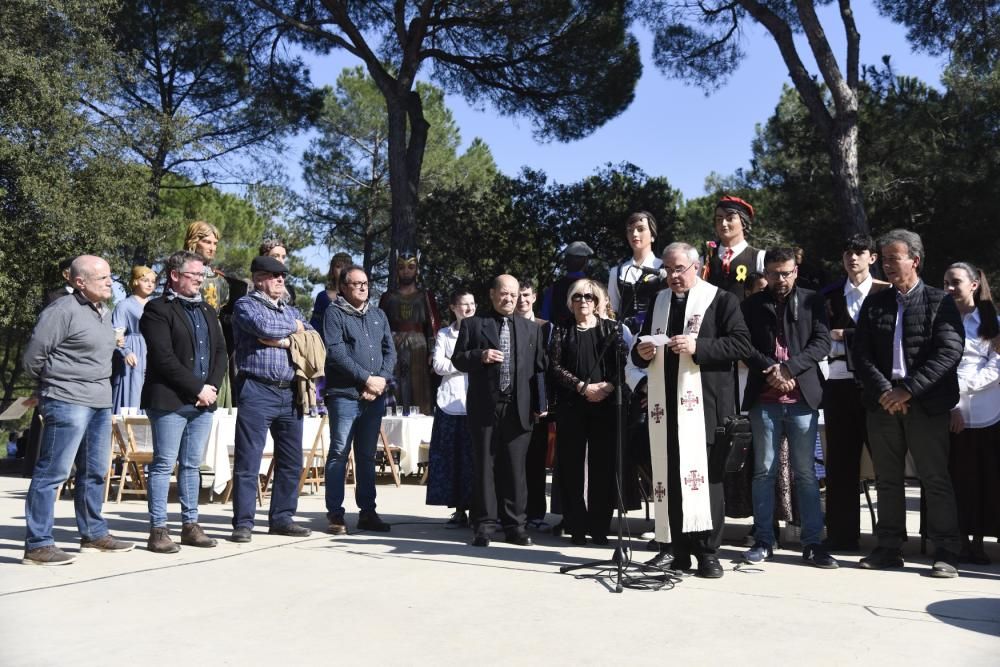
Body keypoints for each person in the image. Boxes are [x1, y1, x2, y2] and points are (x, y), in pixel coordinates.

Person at [629, 243, 750, 576]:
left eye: (679, 269)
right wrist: (641, 353)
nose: (672, 276)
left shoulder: (721, 299)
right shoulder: (658, 300)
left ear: (696, 267)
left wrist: (699, 346)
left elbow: (742, 344)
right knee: (668, 477)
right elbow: (640, 348)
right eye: (667, 270)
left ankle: (707, 553)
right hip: (664, 406)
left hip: (705, 407)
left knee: (705, 480)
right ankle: (674, 550)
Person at [852, 229, 965, 578]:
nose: (886, 265)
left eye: (893, 259)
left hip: (925, 404)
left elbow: (949, 352)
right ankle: (888, 547)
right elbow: (862, 354)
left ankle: (945, 549)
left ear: (914, 260)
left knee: (935, 478)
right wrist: (887, 391)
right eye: (883, 259)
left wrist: (909, 390)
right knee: (887, 478)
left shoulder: (939, 301)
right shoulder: (875, 302)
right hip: (883, 403)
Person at [21, 255, 133, 565]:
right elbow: (33, 358)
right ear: (79, 282)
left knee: (96, 471)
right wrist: (49, 388)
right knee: (52, 473)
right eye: (103, 278)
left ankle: (94, 534)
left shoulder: (103, 312)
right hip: (66, 400)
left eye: (111, 276)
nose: (111, 282)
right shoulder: (61, 311)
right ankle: (38, 544)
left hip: (99, 402)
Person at [741, 247, 837, 569]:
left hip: (803, 399)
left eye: (786, 273)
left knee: (806, 473)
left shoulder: (813, 300)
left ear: (796, 271)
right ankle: (764, 539)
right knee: (763, 472)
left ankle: (813, 543)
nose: (780, 279)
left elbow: (822, 342)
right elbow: (745, 345)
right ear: (765, 273)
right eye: (774, 273)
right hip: (764, 400)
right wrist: (773, 369)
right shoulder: (752, 304)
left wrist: (791, 369)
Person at [140, 251, 228, 553]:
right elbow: (164, 359)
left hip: (204, 401)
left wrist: (212, 387)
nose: (200, 282)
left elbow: (220, 352)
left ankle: (190, 525)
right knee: (164, 464)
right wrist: (197, 389)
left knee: (192, 465)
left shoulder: (207, 310)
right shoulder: (157, 309)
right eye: (195, 276)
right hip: (170, 400)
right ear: (175, 276)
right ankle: (158, 529)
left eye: (203, 277)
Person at [452, 275, 547, 547]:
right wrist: (479, 356)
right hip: (485, 407)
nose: (509, 299)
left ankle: (515, 526)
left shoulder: (532, 330)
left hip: (519, 408)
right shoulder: (474, 325)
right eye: (504, 294)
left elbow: (540, 368)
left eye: (514, 295)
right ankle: (484, 525)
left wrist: (541, 405)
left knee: (515, 470)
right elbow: (458, 360)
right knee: (485, 467)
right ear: (493, 294)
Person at [229, 255, 314, 542]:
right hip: (257, 389)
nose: (280, 280)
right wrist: (295, 331)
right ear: (257, 278)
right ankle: (243, 523)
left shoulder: (291, 310)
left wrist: (286, 340)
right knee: (248, 460)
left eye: (283, 276)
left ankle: (282, 517)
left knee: (291, 460)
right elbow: (262, 328)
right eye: (273, 275)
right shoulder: (245, 305)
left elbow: (313, 337)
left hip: (290, 392)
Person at [820, 234, 891, 551]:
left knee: (886, 464)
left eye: (861, 252)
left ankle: (890, 538)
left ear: (873, 258)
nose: (854, 258)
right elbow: (819, 335)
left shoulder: (887, 293)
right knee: (840, 464)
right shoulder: (829, 294)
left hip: (879, 387)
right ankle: (841, 535)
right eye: (848, 252)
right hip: (838, 383)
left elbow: (890, 336)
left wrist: (846, 334)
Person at [549, 279, 629, 545]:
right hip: (572, 406)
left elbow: (623, 363)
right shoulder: (562, 330)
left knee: (603, 467)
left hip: (605, 405)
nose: (583, 301)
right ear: (570, 302)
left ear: (598, 302)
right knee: (571, 467)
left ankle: (599, 527)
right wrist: (582, 387)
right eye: (577, 297)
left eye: (589, 297)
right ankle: (576, 526)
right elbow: (555, 366)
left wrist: (607, 386)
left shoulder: (612, 329)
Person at [323, 265, 396, 534]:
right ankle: (335, 515)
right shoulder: (334, 313)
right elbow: (336, 353)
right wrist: (367, 379)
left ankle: (368, 512)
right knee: (339, 454)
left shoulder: (378, 315)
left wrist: (380, 382)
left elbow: (390, 351)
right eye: (356, 284)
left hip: (373, 397)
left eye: (365, 283)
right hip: (344, 396)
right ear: (343, 287)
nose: (363, 288)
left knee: (366, 456)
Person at [943, 262, 1000, 564]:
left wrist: (967, 387)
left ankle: (979, 540)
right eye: (945, 283)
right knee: (959, 479)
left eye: (955, 282)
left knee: (985, 479)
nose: (949, 288)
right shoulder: (942, 320)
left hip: (988, 411)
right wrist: (954, 402)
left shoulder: (992, 320)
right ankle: (959, 540)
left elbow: (997, 364)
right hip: (952, 410)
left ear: (974, 284)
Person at [427, 289, 477, 527]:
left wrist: (456, 362)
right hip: (450, 402)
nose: (468, 308)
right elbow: (438, 365)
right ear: (453, 308)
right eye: (463, 304)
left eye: (472, 304)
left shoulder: (482, 331)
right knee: (451, 458)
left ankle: (478, 508)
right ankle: (458, 509)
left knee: (474, 460)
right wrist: (466, 363)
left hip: (476, 403)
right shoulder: (445, 334)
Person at [378, 250, 440, 415]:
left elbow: (433, 326)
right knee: (395, 387)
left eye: (411, 267)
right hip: (393, 346)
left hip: (420, 346)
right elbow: (378, 327)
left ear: (417, 269)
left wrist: (434, 351)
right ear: (397, 270)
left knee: (419, 386)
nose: (406, 271)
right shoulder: (388, 297)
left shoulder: (425, 296)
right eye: (402, 267)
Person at [516, 279, 554, 531]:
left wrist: (542, 402)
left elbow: (547, 367)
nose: (521, 300)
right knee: (512, 462)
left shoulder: (545, 327)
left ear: (534, 297)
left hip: (537, 402)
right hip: (512, 403)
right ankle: (512, 512)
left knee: (536, 461)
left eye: (526, 295)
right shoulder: (504, 324)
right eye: (518, 295)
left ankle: (536, 513)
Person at [608, 211, 666, 333]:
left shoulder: (664, 268)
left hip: (657, 333)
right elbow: (613, 309)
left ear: (652, 235)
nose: (634, 234)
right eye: (630, 230)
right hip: (625, 337)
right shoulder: (616, 271)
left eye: (640, 229)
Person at [702, 195, 766, 300]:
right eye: (719, 219)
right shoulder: (706, 258)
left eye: (730, 218)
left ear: (743, 222)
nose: (723, 224)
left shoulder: (759, 257)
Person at [111, 265, 156, 414]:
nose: (150, 284)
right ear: (136, 281)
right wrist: (126, 352)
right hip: (133, 349)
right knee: (133, 389)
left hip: (151, 350)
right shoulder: (124, 305)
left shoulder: (155, 305)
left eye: (153, 281)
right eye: (145, 280)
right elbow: (116, 334)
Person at [541, 241, 594, 326]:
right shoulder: (594, 288)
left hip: (559, 336)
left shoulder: (553, 288)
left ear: (565, 262)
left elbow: (545, 318)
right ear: (585, 262)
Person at [310, 252, 353, 334]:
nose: (343, 269)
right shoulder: (322, 296)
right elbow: (314, 326)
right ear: (332, 270)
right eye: (338, 266)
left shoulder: (357, 295)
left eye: (346, 266)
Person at [258, 238, 297, 304]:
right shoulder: (251, 285)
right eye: (276, 256)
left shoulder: (289, 291)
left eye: (283, 257)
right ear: (265, 257)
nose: (281, 261)